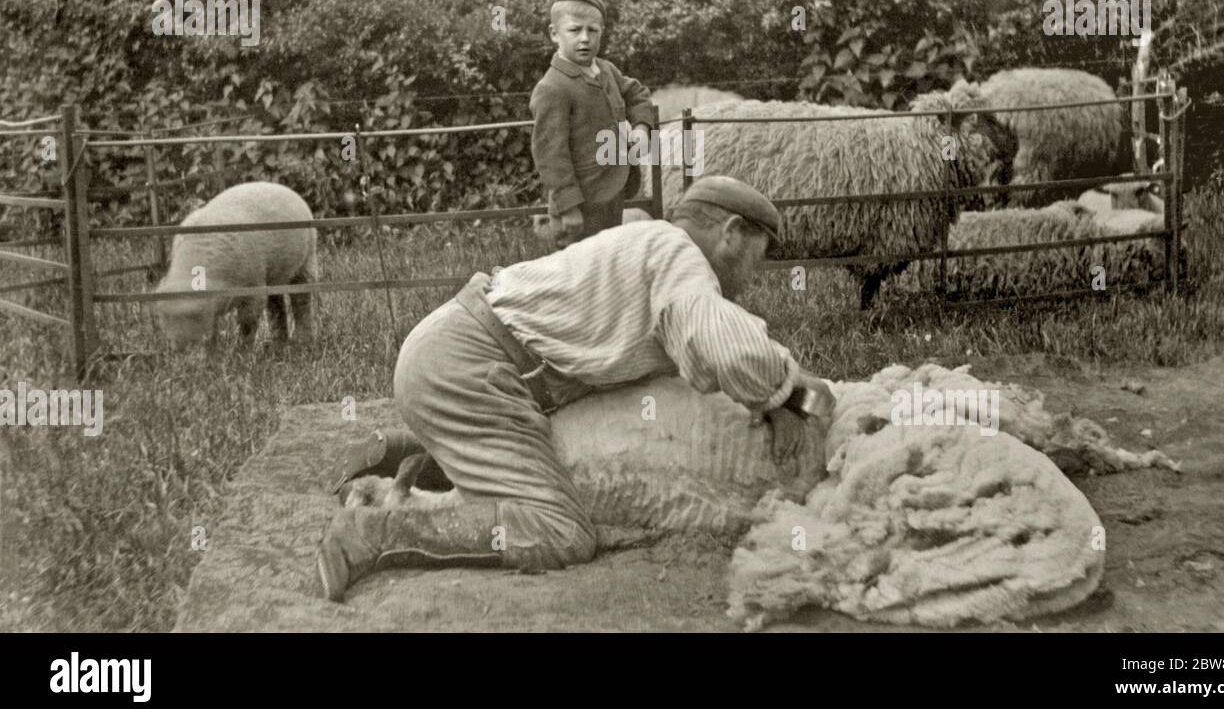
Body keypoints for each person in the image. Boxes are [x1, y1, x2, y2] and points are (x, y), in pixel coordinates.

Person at [315, 175, 835, 602]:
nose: (755, 275)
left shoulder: (650, 244)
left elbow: (679, 357)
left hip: (463, 358)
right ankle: (372, 535)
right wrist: (783, 395)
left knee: (549, 449)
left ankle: (412, 449)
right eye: (758, 257)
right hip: (471, 371)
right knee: (556, 530)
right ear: (733, 232)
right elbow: (721, 341)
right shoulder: (681, 261)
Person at [529, 0, 656, 248]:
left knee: (607, 262)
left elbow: (637, 95)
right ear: (555, 34)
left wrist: (641, 127)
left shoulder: (607, 70)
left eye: (593, 30)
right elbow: (551, 155)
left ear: (602, 32)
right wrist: (569, 207)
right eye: (574, 30)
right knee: (579, 270)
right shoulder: (553, 88)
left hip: (612, 190)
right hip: (580, 202)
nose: (585, 38)